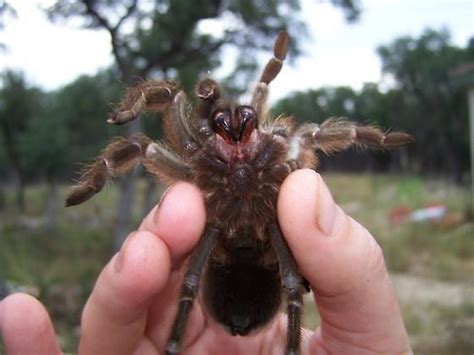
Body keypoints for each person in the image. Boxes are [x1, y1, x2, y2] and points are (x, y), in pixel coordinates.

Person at [0, 170, 412, 354]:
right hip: (221, 245)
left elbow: (307, 138)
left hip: (268, 245)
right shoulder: (206, 172)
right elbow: (146, 148)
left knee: (289, 286)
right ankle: (174, 343)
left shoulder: (279, 170)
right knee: (186, 272)